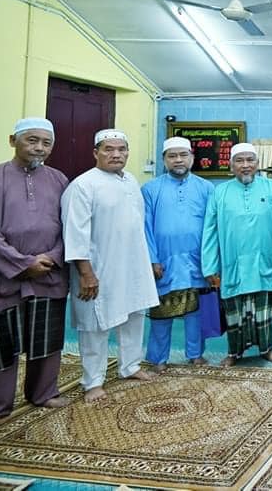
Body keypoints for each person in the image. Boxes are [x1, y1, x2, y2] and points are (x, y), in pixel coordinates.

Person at [0, 118, 70, 435]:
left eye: (46, 142)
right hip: (1, 278)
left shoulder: (60, 180)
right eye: (32, 140)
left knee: (45, 339)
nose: (40, 148)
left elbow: (72, 227)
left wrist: (51, 258)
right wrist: (23, 263)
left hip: (48, 276)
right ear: (13, 140)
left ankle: (44, 393)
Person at [62, 129, 160, 402]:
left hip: (132, 266)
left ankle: (130, 366)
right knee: (95, 325)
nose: (116, 154)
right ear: (96, 153)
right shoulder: (83, 185)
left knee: (134, 316)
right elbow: (75, 233)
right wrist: (86, 273)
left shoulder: (130, 180)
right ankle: (93, 381)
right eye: (108, 149)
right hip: (98, 270)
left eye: (121, 149)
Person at [202, 142, 272, 367]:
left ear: (257, 164)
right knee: (235, 311)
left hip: (265, 259)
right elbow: (210, 231)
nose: (245, 165)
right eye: (239, 161)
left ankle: (267, 349)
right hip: (232, 261)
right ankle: (235, 352)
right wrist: (210, 266)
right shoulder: (220, 192)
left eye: (250, 160)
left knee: (264, 311)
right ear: (231, 165)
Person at [141, 136, 214, 373]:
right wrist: (152, 259)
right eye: (172, 156)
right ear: (164, 160)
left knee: (196, 311)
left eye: (183, 155)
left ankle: (195, 354)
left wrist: (211, 260)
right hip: (165, 260)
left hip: (197, 260)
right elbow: (145, 227)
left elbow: (212, 227)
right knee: (162, 312)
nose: (178, 160)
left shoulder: (206, 188)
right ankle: (158, 358)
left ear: (192, 158)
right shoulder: (151, 189)